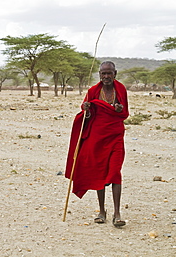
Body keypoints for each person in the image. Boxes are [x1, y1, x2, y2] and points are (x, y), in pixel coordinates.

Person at [65, 61, 129, 227]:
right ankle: (102, 211)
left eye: (109, 73)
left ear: (115, 73)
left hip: (115, 136)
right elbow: (86, 112)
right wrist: (86, 108)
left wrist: (118, 110)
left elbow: (125, 113)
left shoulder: (120, 89)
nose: (106, 76)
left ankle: (117, 213)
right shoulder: (93, 91)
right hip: (97, 137)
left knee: (115, 171)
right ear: (99, 74)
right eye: (103, 73)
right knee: (99, 171)